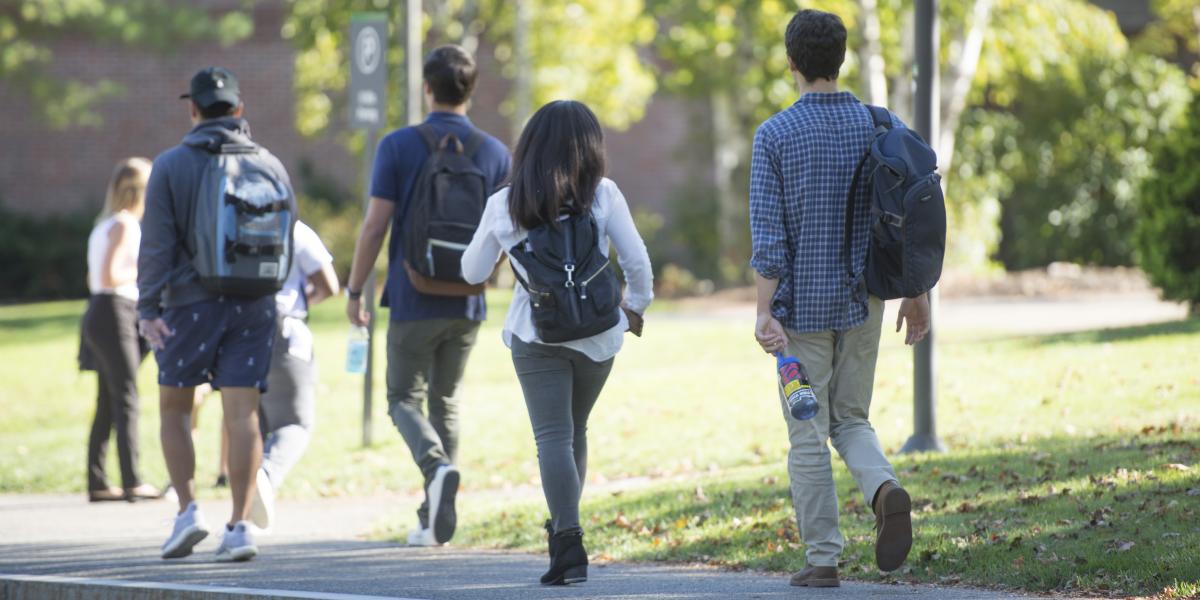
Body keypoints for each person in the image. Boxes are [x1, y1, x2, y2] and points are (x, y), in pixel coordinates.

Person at [749, 9, 928, 587]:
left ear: (792, 62)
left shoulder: (774, 135)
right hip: (863, 304)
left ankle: (823, 559)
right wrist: (917, 293)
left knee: (807, 430)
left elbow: (770, 239)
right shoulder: (880, 125)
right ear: (842, 59)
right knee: (851, 418)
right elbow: (909, 219)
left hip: (800, 314)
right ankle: (883, 488)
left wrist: (762, 310)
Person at [461, 100, 653, 585]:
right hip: (599, 333)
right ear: (591, 148)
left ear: (530, 147)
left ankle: (567, 540)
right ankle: (566, 531)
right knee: (575, 430)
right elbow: (637, 263)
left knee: (553, 437)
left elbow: (472, 271)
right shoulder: (603, 194)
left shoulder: (506, 203)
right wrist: (635, 308)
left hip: (537, 334)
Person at [345, 45, 511, 547]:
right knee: (446, 402)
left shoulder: (398, 145)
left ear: (426, 88)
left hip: (413, 296)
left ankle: (436, 470)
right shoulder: (494, 152)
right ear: (471, 90)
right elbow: (505, 233)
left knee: (402, 398)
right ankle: (433, 515)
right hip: (467, 300)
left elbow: (375, 226)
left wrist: (356, 289)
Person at [138, 66, 294, 562]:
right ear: (240, 111)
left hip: (189, 304)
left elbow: (156, 246)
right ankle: (241, 525)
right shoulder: (270, 162)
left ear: (194, 109)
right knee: (243, 413)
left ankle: (187, 512)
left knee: (175, 408)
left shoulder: (170, 165)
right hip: (255, 303)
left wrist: (146, 307)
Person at [80, 157, 161, 503]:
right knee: (127, 397)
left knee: (108, 400)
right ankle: (133, 480)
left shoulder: (104, 224)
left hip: (99, 309)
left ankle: (97, 480)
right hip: (116, 310)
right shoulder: (126, 225)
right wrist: (146, 274)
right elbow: (111, 274)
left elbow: (93, 277)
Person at [249, 220, 338, 529]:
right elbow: (329, 284)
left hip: (238, 329)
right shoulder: (294, 229)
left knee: (249, 420)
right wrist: (302, 303)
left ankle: (239, 516)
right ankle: (265, 476)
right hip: (283, 326)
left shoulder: (227, 223)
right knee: (295, 423)